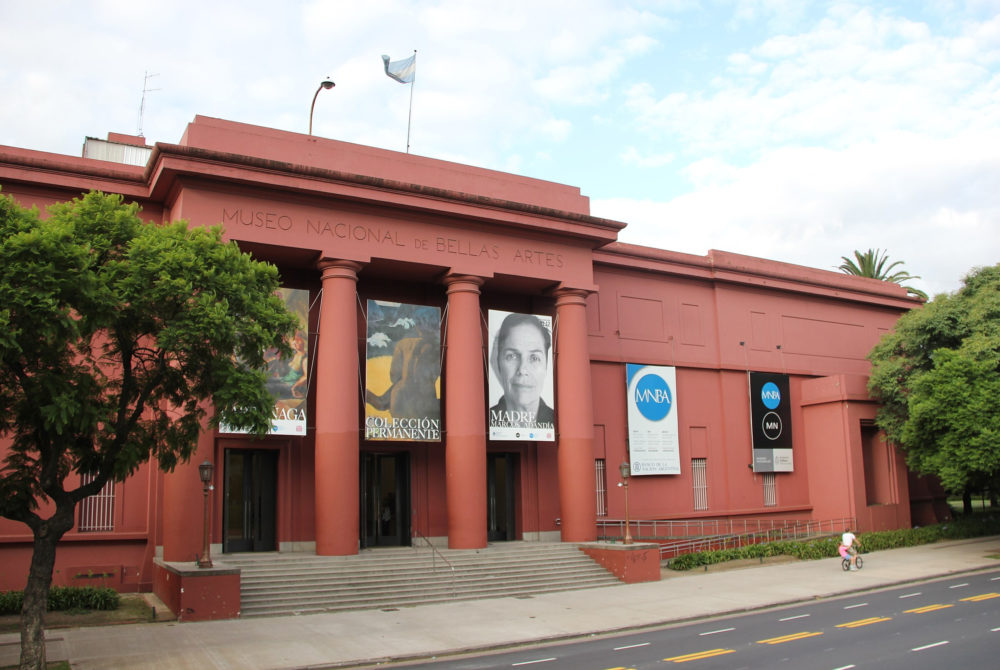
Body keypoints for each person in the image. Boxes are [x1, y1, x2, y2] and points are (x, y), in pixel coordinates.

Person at [489, 312, 554, 429]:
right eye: (512, 356)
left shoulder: (559, 422)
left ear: (546, 365)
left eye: (534, 358)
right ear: (499, 363)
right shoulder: (483, 420)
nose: (522, 369)